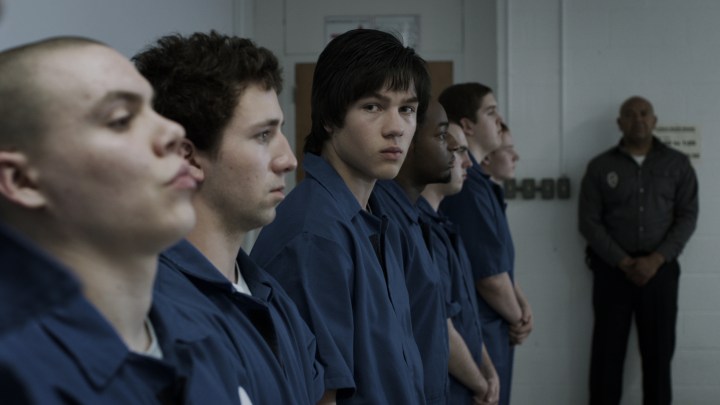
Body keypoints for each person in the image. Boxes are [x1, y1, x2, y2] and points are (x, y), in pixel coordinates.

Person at [0, 37, 247, 403]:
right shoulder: (17, 377)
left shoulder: (202, 339)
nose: (173, 132)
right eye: (121, 120)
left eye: (153, 110)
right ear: (23, 181)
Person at [133, 31, 324, 404]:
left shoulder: (271, 297)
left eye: (280, 130)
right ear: (188, 157)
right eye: (263, 135)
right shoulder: (153, 313)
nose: (288, 160)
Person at [251, 28, 429, 404]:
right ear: (330, 118)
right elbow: (321, 395)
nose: (396, 128)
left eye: (407, 109)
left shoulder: (377, 217)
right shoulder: (315, 234)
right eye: (373, 107)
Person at [579, 96, 698, 405]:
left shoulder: (677, 164)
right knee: (606, 358)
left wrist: (655, 260)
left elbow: (687, 216)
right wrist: (623, 261)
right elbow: (589, 222)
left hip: (661, 273)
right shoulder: (600, 166)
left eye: (644, 113)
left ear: (654, 120)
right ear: (620, 123)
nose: (638, 119)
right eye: (630, 114)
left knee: (659, 357)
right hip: (612, 273)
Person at [438, 83, 533, 405]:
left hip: (492, 327)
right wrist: (519, 318)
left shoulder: (481, 185)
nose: (500, 121)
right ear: (467, 125)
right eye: (491, 113)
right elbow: (489, 277)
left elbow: (501, 264)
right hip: (482, 327)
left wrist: (522, 307)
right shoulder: (467, 189)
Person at [371, 100, 452, 404]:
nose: (452, 147)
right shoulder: (384, 219)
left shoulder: (412, 215)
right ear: (409, 142)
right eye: (441, 135)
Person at [421, 122, 501, 405]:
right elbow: (441, 327)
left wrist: (489, 371)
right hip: (450, 388)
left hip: (467, 383)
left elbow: (467, 318)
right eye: (457, 150)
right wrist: (481, 384)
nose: (468, 162)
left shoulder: (443, 226)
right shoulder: (421, 232)